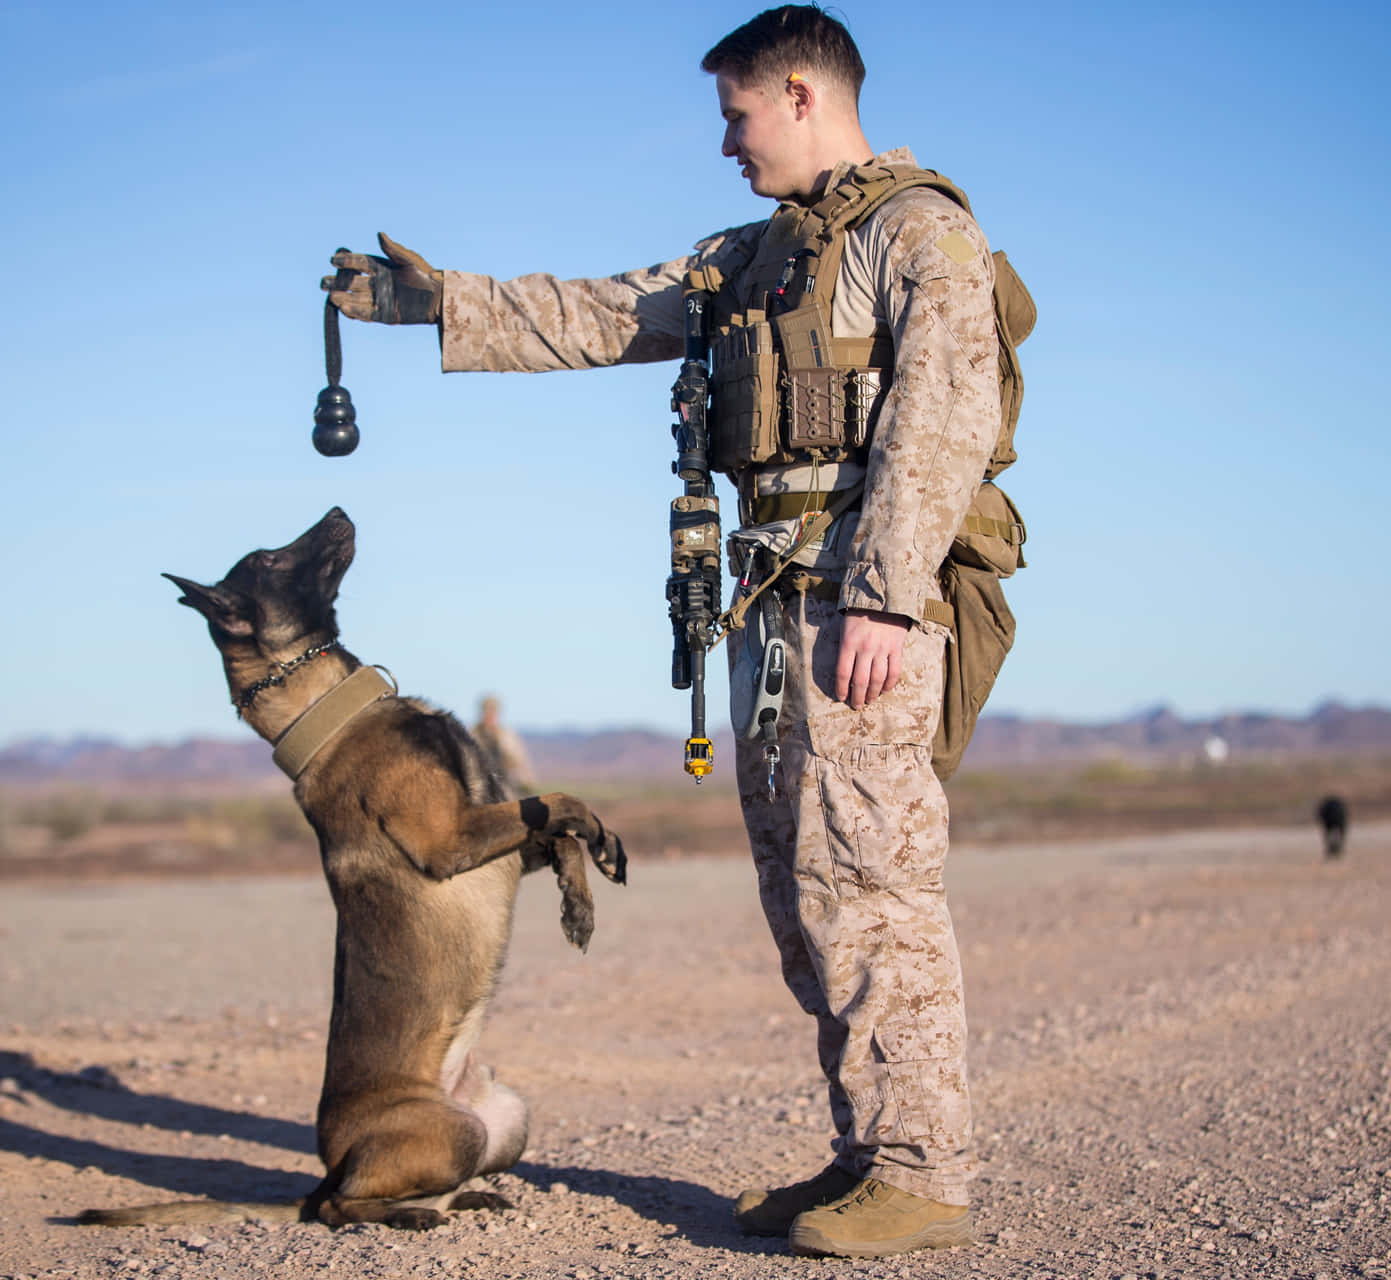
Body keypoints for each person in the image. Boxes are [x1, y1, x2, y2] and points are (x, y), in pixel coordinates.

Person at [321, 5, 1025, 1257]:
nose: (726, 143)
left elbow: (943, 412)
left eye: (735, 115)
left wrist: (883, 592)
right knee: (807, 891)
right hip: (772, 611)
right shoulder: (751, 256)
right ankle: (869, 1150)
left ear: (802, 92)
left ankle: (923, 1168)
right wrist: (435, 305)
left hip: (859, 609)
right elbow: (604, 311)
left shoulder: (922, 233)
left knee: (872, 886)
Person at [472, 694, 537, 796]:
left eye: (493, 711)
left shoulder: (506, 735)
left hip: (504, 782)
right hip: (479, 784)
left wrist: (527, 781)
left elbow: (519, 760)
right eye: (487, 710)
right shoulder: (472, 735)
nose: (490, 715)